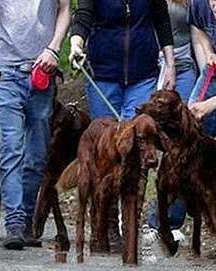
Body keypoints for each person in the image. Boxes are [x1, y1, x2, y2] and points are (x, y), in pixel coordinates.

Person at [69, 0, 176, 252]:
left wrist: (171, 65)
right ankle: (104, 226)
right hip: (103, 75)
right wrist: (76, 45)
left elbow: (161, 19)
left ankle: (129, 223)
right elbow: (83, 14)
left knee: (137, 150)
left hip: (143, 75)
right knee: (106, 154)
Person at [0, 0, 70, 250]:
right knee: (12, 148)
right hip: (6, 73)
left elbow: (65, 9)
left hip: (42, 72)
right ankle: (14, 222)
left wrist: (54, 49)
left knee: (37, 155)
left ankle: (25, 218)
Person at [141, 0, 195, 263]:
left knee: (182, 147)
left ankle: (168, 221)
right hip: (149, 68)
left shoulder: (198, 3)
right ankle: (126, 218)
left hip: (184, 70)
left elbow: (199, 36)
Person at [188, 0, 216, 135]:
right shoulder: (199, 4)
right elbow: (199, 27)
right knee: (192, 118)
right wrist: (209, 52)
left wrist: (209, 105)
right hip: (213, 71)